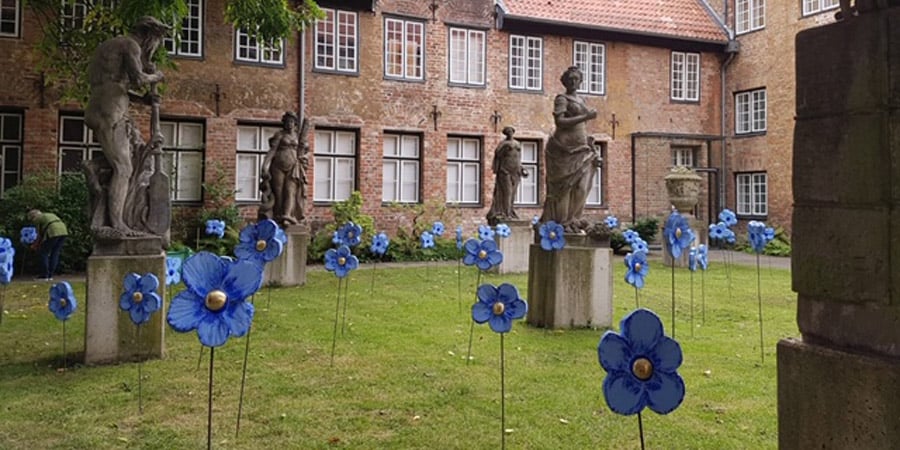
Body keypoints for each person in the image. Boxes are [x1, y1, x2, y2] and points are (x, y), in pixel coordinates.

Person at [84, 16, 169, 236]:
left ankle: (94, 170)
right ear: (150, 35)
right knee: (124, 169)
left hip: (101, 105)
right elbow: (139, 79)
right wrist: (157, 76)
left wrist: (143, 101)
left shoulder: (108, 47)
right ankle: (118, 224)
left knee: (121, 164)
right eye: (157, 41)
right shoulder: (130, 45)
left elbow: (116, 86)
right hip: (110, 113)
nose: (155, 47)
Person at [540, 66, 602, 232]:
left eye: (576, 79)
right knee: (565, 187)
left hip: (581, 147)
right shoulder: (562, 99)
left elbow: (582, 126)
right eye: (570, 79)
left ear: (581, 81)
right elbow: (560, 122)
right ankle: (563, 221)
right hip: (563, 149)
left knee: (582, 187)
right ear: (565, 81)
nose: (573, 82)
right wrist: (586, 116)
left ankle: (575, 217)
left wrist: (590, 144)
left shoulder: (582, 100)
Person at [259, 112, 308, 226]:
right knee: (279, 193)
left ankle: (287, 216)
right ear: (284, 123)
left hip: (293, 167)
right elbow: (272, 152)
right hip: (277, 167)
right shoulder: (279, 135)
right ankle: (278, 217)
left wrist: (304, 157)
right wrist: (264, 166)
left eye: (291, 121)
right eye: (287, 122)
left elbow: (304, 152)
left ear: (295, 124)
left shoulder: (298, 136)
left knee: (290, 191)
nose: (289, 124)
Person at [486, 126, 528, 225]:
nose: (510, 133)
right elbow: (497, 156)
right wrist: (504, 149)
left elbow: (518, 158)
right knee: (507, 192)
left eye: (511, 131)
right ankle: (506, 213)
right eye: (508, 131)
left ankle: (510, 211)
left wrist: (522, 168)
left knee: (513, 193)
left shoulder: (517, 143)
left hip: (515, 171)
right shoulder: (503, 144)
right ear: (505, 133)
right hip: (505, 171)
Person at [28, 209, 68, 281]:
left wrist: (35, 245)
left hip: (53, 231)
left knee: (43, 253)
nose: (33, 222)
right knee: (55, 253)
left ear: (34, 217)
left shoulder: (38, 219)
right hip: (63, 231)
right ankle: (50, 275)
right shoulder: (49, 214)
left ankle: (44, 275)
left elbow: (39, 235)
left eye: (32, 220)